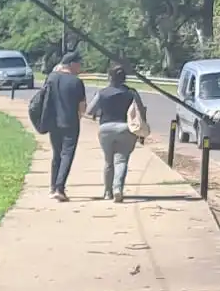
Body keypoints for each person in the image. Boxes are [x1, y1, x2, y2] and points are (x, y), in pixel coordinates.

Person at [86, 64, 146, 203]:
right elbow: (141, 111)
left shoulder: (102, 93)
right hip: (126, 128)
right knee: (121, 160)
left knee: (108, 161)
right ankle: (118, 188)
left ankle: (107, 192)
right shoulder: (132, 93)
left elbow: (89, 111)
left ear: (109, 77)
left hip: (106, 129)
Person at [45, 51, 87, 202]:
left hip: (53, 122)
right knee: (67, 154)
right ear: (72, 64)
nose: (80, 67)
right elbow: (82, 107)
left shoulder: (51, 78)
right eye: (79, 63)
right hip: (70, 122)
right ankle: (60, 188)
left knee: (57, 154)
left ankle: (52, 187)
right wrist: (79, 117)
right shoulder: (76, 82)